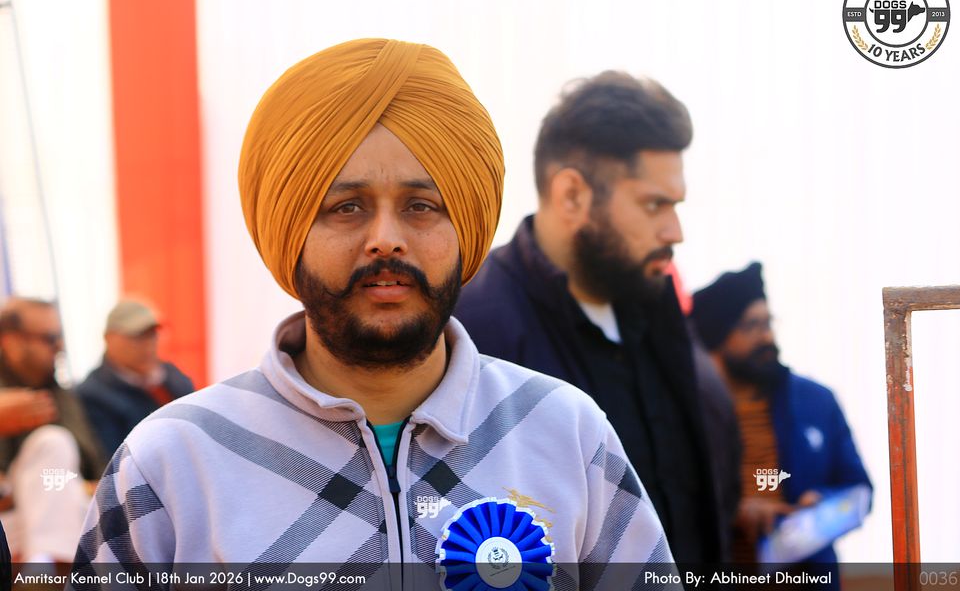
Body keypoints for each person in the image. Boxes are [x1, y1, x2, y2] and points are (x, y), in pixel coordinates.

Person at [72, 39, 675, 589]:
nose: (386, 239)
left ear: (464, 227)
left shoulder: (566, 434)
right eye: (347, 207)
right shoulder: (173, 463)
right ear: (290, 232)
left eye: (421, 205)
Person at [455, 71, 725, 563]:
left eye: (675, 206)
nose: (675, 231)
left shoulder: (656, 310)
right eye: (654, 204)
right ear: (572, 195)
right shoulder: (474, 330)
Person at [690, 262, 871, 579]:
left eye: (769, 322)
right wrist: (735, 512)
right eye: (751, 326)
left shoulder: (815, 401)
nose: (767, 337)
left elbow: (858, 489)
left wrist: (822, 504)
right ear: (716, 337)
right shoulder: (689, 410)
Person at [0, 298, 105, 563]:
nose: (59, 347)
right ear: (11, 342)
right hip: (12, 518)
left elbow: (96, 469)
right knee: (52, 442)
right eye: (49, 338)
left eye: (60, 337)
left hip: (66, 510)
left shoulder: (62, 395)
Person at [77, 299, 194, 456]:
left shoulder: (170, 374)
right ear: (109, 338)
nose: (148, 344)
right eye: (138, 336)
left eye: (152, 334)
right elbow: (117, 458)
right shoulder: (92, 394)